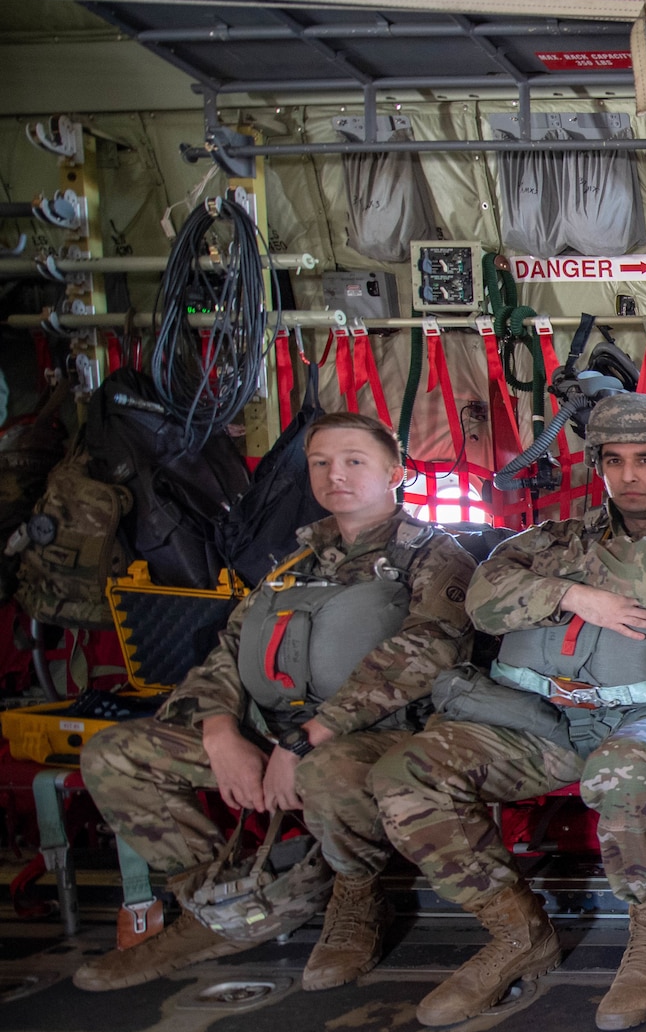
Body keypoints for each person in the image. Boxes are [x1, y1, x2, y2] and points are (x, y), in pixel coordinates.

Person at [370, 393, 646, 1030]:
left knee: (621, 775)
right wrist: (577, 596)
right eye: (614, 460)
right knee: (406, 772)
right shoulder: (554, 536)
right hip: (540, 716)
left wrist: (545, 584)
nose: (629, 476)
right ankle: (516, 933)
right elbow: (484, 601)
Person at [77, 412, 474, 992]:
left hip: (374, 735)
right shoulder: (292, 563)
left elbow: (422, 657)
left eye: (353, 461)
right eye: (320, 463)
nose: (335, 475)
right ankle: (218, 904)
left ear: (395, 471)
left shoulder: (434, 557)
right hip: (271, 733)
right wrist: (218, 731)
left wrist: (304, 738)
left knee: (330, 772)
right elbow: (229, 650)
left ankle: (356, 901)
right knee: (116, 755)